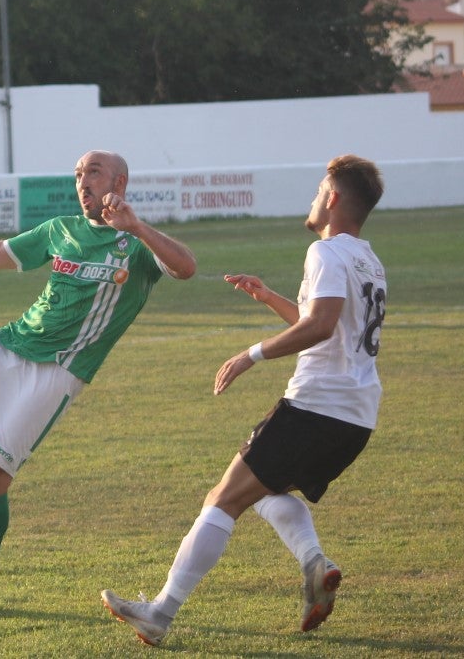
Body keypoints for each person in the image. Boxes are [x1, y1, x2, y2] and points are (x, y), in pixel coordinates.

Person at [0, 150, 197, 617]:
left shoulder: (137, 244)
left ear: (120, 181)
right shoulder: (61, 230)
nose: (83, 182)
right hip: (11, 342)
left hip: (56, 373)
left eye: (93, 172)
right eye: (78, 174)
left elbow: (185, 267)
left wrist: (136, 228)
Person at [102, 154, 386, 646]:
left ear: (334, 198)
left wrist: (250, 354)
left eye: (320, 189)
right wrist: (270, 298)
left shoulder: (325, 253)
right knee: (268, 493)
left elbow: (318, 328)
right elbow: (326, 322)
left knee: (224, 498)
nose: (314, 198)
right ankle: (315, 566)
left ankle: (160, 613)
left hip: (316, 406)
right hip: (357, 418)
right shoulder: (368, 258)